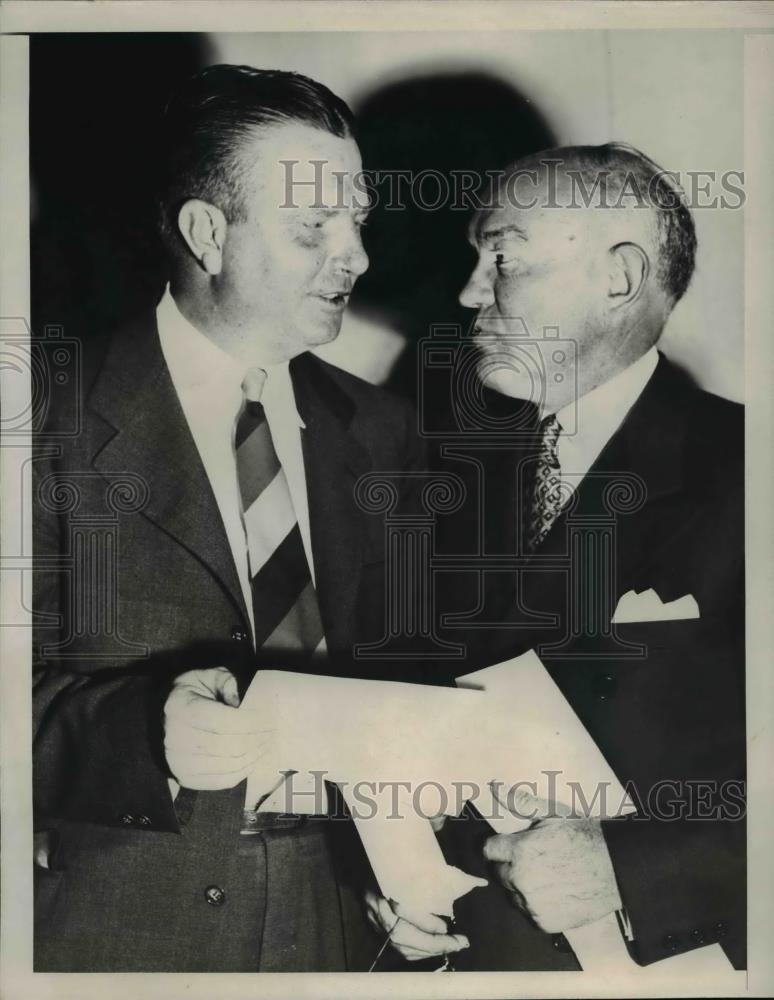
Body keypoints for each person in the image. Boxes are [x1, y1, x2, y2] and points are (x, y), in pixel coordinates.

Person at [32, 64, 426, 972]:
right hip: (114, 940)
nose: (355, 255)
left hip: (338, 933)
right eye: (311, 228)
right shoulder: (43, 420)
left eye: (356, 219)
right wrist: (145, 733)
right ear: (207, 233)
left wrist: (406, 866)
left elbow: (403, 690)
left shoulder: (384, 431)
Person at [367, 143, 745, 971]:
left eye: (502, 257)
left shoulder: (748, 469)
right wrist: (394, 865)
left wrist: (634, 869)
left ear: (618, 278)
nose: (470, 292)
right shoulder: (433, 464)